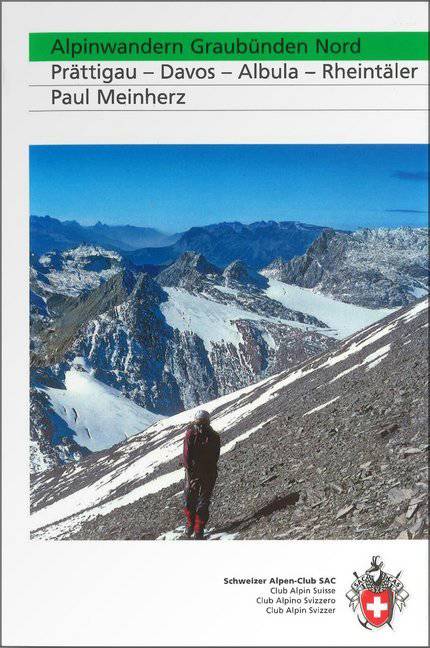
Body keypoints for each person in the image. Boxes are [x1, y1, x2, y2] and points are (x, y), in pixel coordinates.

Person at [182, 409, 220, 539]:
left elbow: (186, 456)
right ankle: (198, 530)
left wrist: (190, 476)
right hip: (209, 473)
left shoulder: (191, 434)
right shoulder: (214, 436)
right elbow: (215, 457)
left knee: (189, 500)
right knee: (203, 501)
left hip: (193, 473)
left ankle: (191, 526)